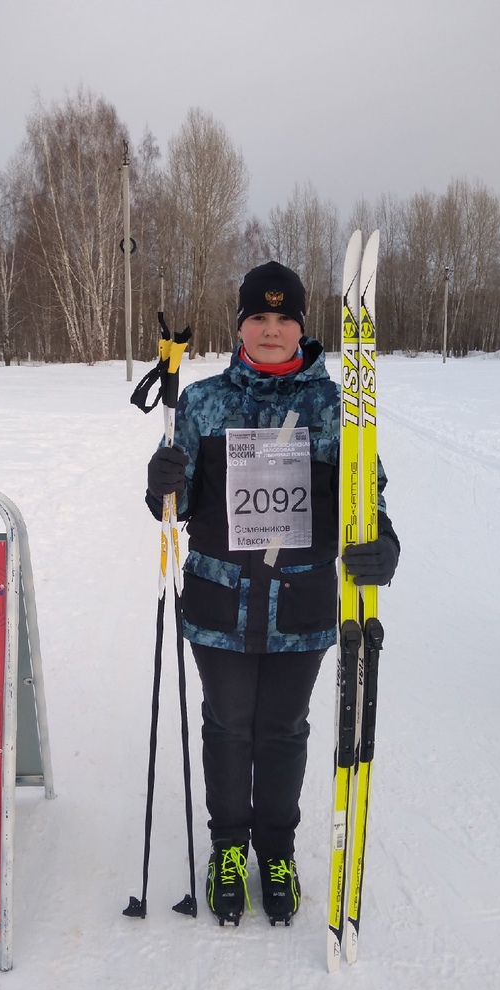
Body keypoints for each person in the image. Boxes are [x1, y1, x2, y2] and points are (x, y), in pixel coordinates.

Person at [145, 261, 400, 926]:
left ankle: (277, 851)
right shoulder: (202, 402)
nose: (270, 329)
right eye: (258, 316)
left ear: (302, 327)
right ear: (240, 326)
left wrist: (383, 543)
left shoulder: (339, 409)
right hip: (219, 605)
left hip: (301, 605)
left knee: (283, 730)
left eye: (284, 318)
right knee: (229, 726)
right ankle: (229, 846)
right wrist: (161, 480)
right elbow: (173, 505)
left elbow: (367, 499)